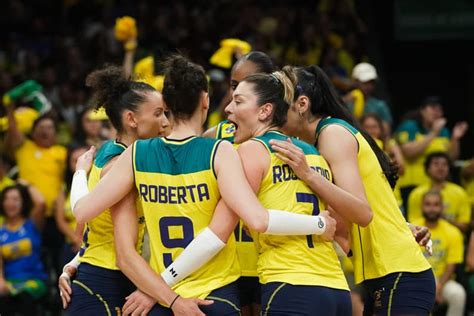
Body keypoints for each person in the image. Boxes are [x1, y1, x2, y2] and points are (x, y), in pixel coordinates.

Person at [69, 55, 337, 315]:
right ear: (205, 101)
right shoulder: (221, 151)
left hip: (161, 298)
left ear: (168, 104)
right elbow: (253, 220)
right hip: (215, 294)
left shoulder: (135, 154)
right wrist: (319, 223)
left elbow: (83, 214)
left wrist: (80, 172)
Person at [269, 65, 435, 315]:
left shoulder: (332, 133)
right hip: (387, 273)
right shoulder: (320, 139)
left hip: (397, 272)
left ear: (302, 104)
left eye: (280, 105)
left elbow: (362, 212)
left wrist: (308, 175)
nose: (274, 114)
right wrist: (403, 227)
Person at [225, 72, 359, 315]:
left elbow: (251, 222)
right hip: (336, 288)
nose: (227, 108)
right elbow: (338, 224)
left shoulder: (252, 150)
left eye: (238, 101)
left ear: (265, 111)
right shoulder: (314, 154)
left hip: (290, 284)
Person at [58, 65, 174, 316]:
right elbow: (91, 221)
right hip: (105, 281)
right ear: (131, 119)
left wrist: (73, 264)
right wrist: (171, 298)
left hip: (106, 274)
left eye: (165, 113)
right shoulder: (117, 166)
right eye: (158, 114)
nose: (165, 122)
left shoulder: (118, 151)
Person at [395, 96, 468, 210]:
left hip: (435, 187)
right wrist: (433, 133)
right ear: (422, 111)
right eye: (433, 108)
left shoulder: (444, 131)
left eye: (439, 110)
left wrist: (455, 138)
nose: (437, 112)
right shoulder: (410, 126)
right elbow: (409, 152)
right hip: (410, 186)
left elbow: (451, 158)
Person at [413, 190, 466, 316]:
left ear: (442, 207)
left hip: (443, 280)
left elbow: (451, 264)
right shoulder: (413, 228)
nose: (432, 209)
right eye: (428, 204)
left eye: (436, 205)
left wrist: (439, 287)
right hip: (417, 278)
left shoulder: (453, 232)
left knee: (458, 294)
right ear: (421, 206)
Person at [203, 51, 276, 139]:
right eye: (234, 86)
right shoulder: (213, 136)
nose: (237, 93)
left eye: (247, 86)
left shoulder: (285, 145)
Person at [0, 184, 47, 316]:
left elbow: (41, 202)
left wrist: (26, 184)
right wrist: (1, 281)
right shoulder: (1, 231)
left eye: (15, 199)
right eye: (7, 199)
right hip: (9, 282)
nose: (10, 203)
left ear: (24, 202)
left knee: (24, 299)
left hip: (34, 280)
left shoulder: (32, 223)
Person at [408, 152, 471, 233]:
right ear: (428, 169)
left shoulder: (460, 192)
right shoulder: (416, 194)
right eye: (436, 164)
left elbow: (465, 226)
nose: (440, 168)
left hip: (452, 240)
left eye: (444, 164)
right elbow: (413, 226)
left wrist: (442, 219)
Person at [54, 146, 89, 267]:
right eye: (75, 161)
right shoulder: (65, 188)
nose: (79, 163)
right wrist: (76, 239)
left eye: (84, 158)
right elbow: (60, 220)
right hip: (72, 243)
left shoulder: (99, 184)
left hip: (94, 242)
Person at [343, 62, 393, 134]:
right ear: (356, 82)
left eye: (372, 82)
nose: (369, 86)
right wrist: (344, 100)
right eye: (365, 82)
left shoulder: (380, 105)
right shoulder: (346, 102)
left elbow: (386, 133)